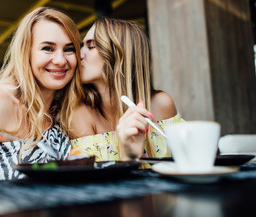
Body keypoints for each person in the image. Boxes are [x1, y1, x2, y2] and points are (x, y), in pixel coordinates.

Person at [0, 7, 83, 183]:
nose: (60, 60)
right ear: (26, 52)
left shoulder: (62, 109)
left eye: (69, 49)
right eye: (48, 48)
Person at [69, 17, 184, 162]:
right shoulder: (80, 114)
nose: (79, 55)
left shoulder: (161, 104)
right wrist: (129, 156)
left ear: (120, 55)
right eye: (81, 46)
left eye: (91, 46)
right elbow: (93, 182)